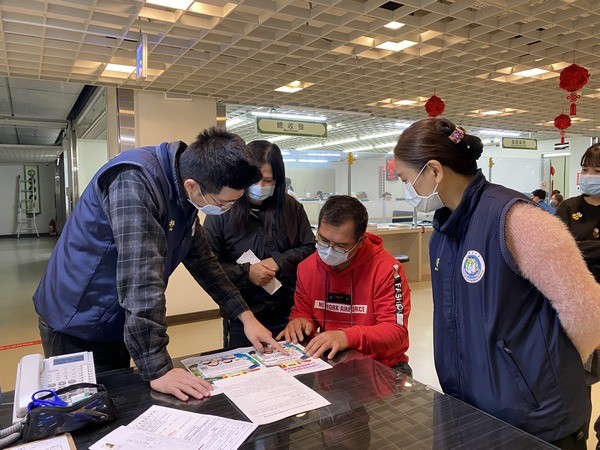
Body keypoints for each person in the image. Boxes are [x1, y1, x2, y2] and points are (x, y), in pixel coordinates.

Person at [33, 127, 283, 402]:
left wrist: (246, 317)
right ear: (192, 185)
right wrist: (157, 367)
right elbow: (142, 279)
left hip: (115, 317)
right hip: (76, 318)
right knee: (84, 411)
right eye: (223, 203)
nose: (226, 209)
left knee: (116, 400)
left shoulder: (184, 190)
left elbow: (204, 262)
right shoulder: (134, 181)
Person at [393, 117, 600, 449]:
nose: (405, 190)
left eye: (405, 179)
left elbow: (587, 312)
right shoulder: (444, 233)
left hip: (535, 421)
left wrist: (535, 369)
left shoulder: (516, 220)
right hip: (475, 412)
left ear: (434, 170)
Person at [277, 195, 412, 376]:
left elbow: (396, 333)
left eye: (341, 246)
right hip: (334, 364)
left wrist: (346, 336)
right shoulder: (307, 268)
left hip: (383, 366)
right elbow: (303, 312)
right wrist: (300, 321)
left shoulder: (386, 269)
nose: (329, 250)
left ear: (360, 241)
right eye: (323, 240)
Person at [204, 140, 315, 348]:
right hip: (242, 315)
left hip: (287, 313)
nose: (260, 187)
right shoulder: (222, 209)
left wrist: (279, 261)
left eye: (267, 181)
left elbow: (309, 249)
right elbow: (209, 266)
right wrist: (247, 273)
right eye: (254, 180)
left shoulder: (292, 208)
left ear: (278, 180)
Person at [555, 144, 600, 447]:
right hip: (575, 309)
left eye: (596, 171)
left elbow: (571, 249)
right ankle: (577, 438)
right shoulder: (568, 207)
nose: (587, 176)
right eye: (585, 169)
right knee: (578, 382)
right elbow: (556, 252)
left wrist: (577, 248)